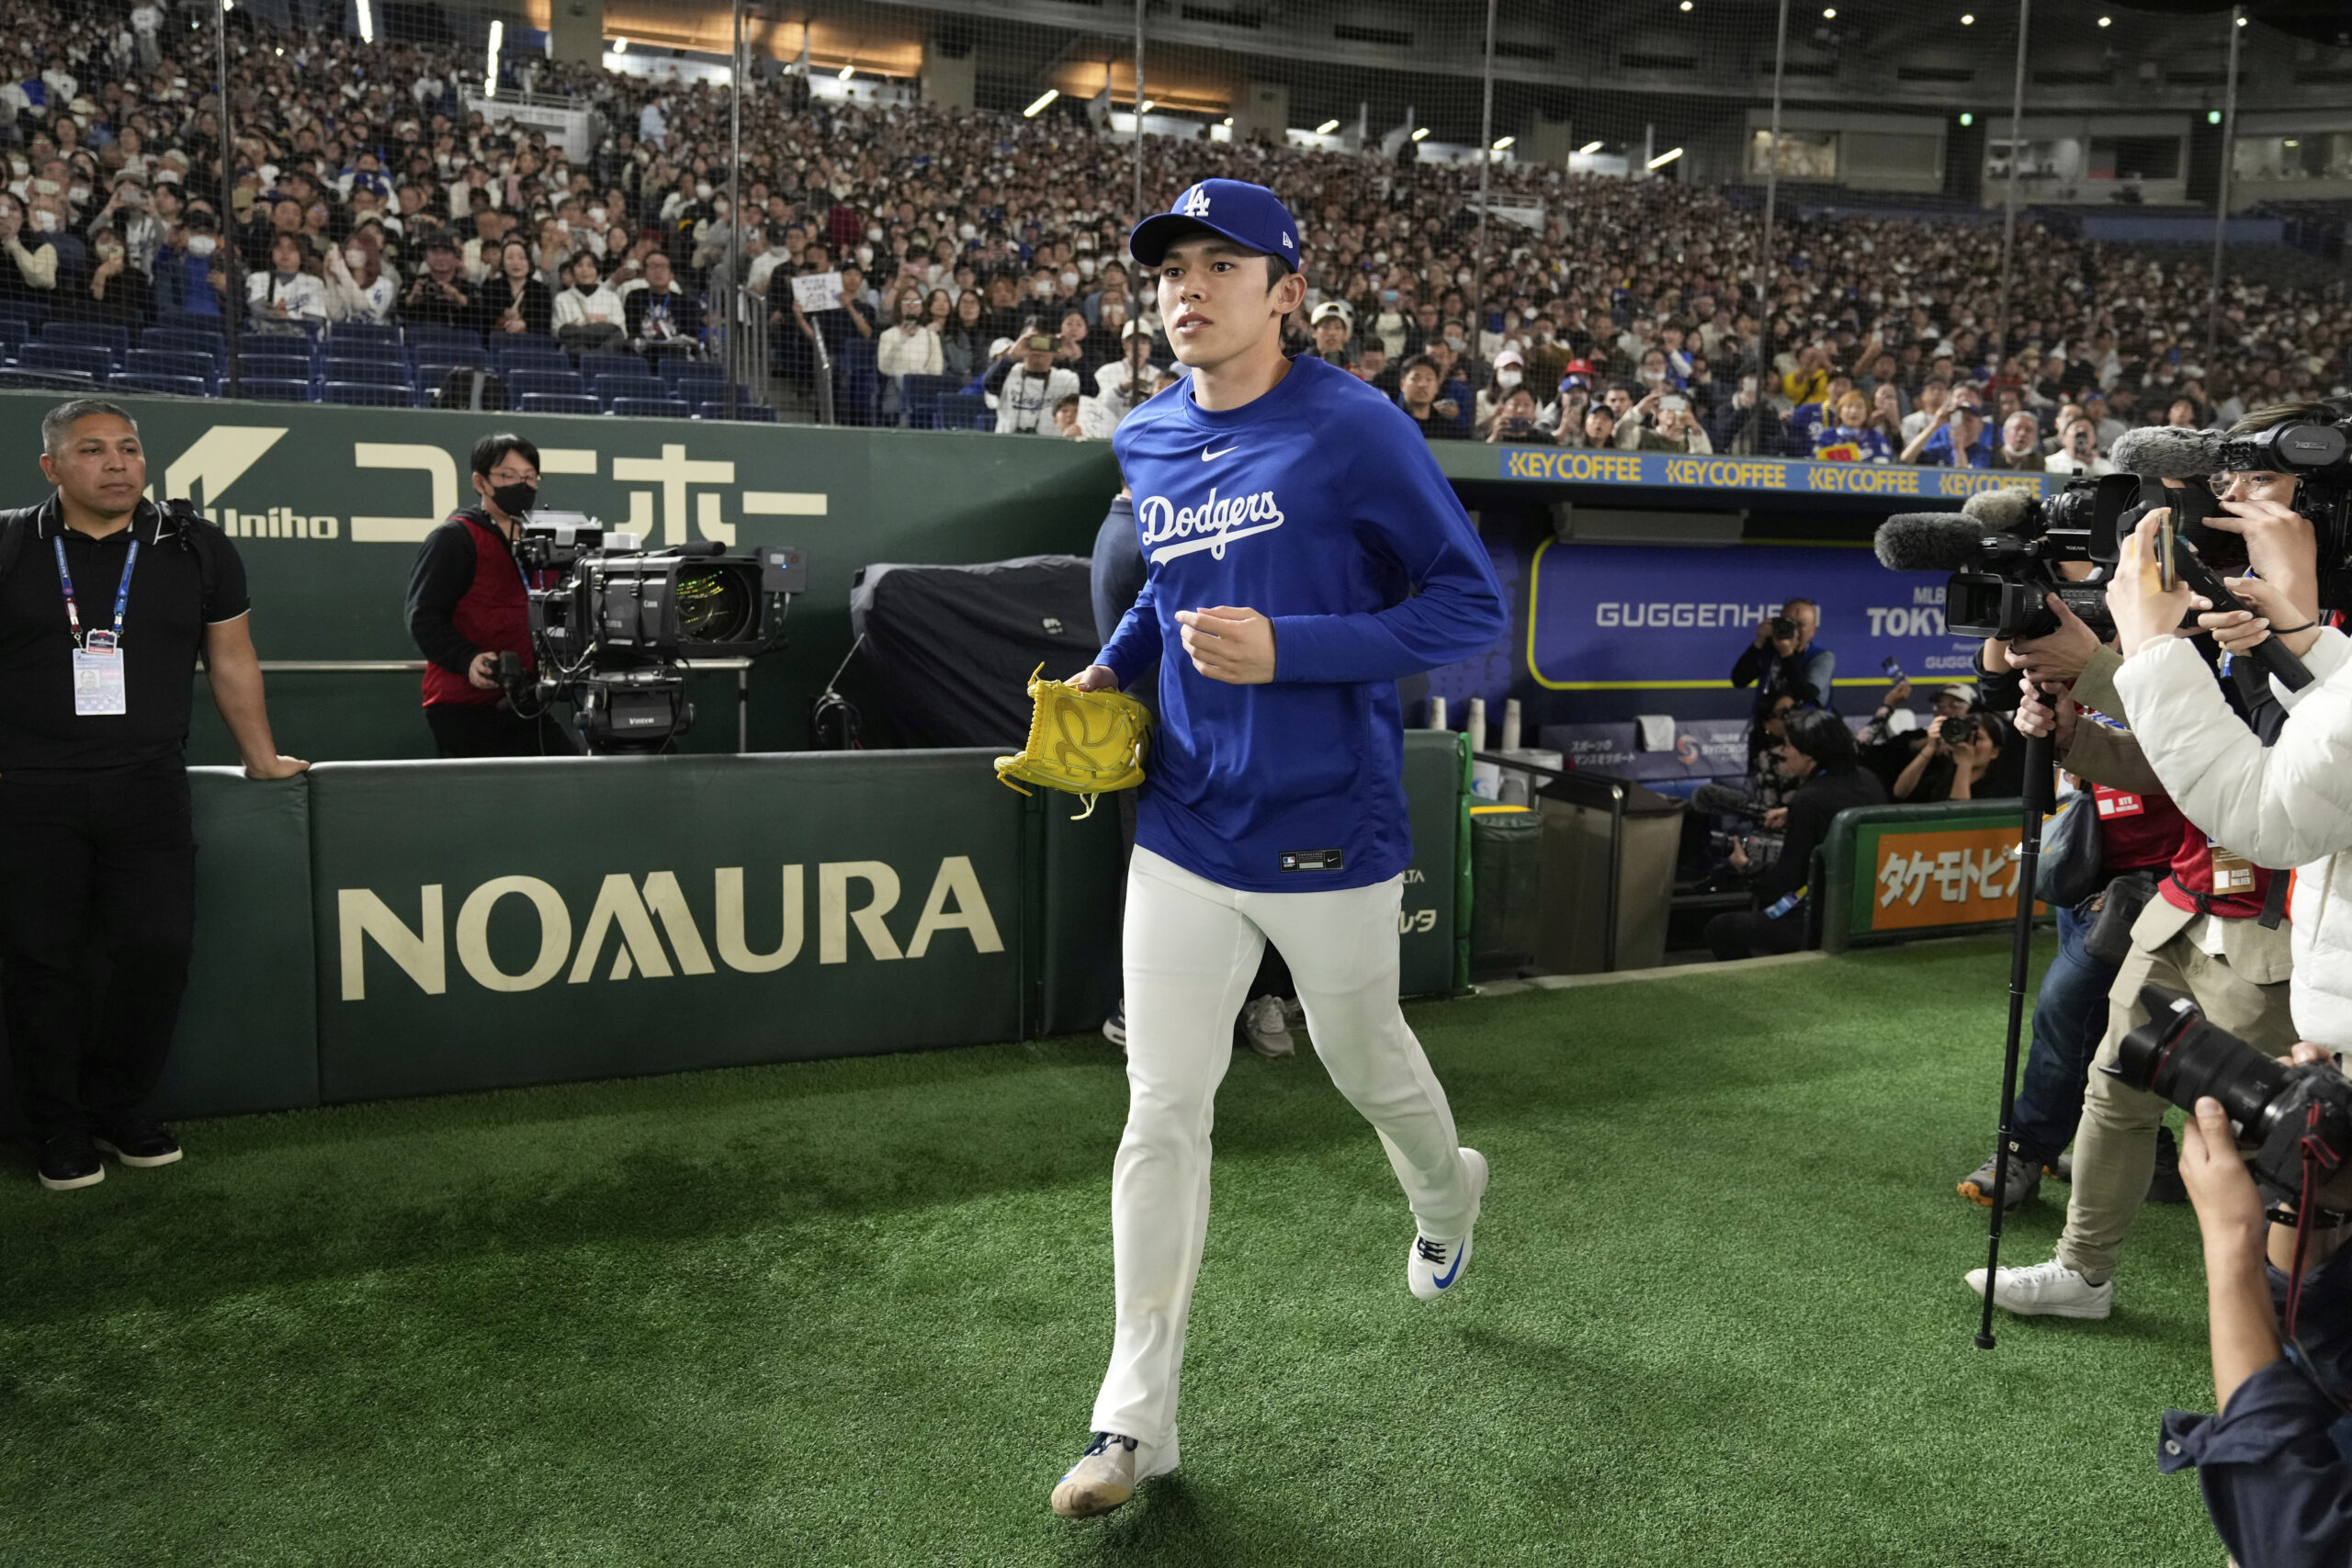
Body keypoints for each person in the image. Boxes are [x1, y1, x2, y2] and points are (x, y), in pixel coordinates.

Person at [1049, 178, 1506, 1520]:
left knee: (1367, 1062)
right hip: (1185, 823)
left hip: (1330, 828)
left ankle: (1447, 1195)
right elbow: (1166, 603)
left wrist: (1294, 648)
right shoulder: (1145, 436)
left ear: (1286, 291)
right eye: (1170, 268)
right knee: (1161, 1107)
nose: (1186, 288)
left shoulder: (1357, 428)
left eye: (1220, 264)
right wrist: (1106, 672)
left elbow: (1467, 604)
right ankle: (1130, 1422)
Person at [0, 400, 306, 1191]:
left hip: (149, 787)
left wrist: (262, 757)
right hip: (28, 791)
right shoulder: (8, 541)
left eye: (130, 448)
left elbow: (233, 660)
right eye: (94, 450)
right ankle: (56, 1127)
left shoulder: (194, 545)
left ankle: (121, 1107)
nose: (118, 463)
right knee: (40, 965)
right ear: (52, 467)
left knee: (157, 953)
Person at [402, 434, 571, 759]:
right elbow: (422, 616)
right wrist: (467, 659)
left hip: (526, 701)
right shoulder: (455, 539)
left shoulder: (545, 543)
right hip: (462, 707)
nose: (520, 486)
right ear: (480, 482)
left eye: (529, 478)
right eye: (507, 476)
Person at [1705, 708, 1885, 960]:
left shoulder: (1809, 800)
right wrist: (1793, 811)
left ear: (1810, 757)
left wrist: (1747, 867)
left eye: (1788, 745)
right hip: (1870, 915)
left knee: (1721, 928)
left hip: (1821, 924)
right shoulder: (1868, 780)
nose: (1783, 752)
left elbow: (1787, 882)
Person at [1731, 598, 1834, 764]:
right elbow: (1739, 679)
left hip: (1805, 742)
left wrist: (1787, 653)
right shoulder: (1769, 649)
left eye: (1801, 625)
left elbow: (1804, 694)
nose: (1794, 629)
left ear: (1814, 630)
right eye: (1788, 622)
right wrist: (1758, 642)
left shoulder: (1822, 657)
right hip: (1765, 735)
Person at [984, 333, 1080, 435]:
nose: (1038, 350)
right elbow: (989, 384)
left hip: (1050, 448)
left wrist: (1077, 358)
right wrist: (1011, 356)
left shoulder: (1066, 379)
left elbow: (1093, 392)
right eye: (1033, 342)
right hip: (1006, 447)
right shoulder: (1007, 373)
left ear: (1054, 348)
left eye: (1045, 344)